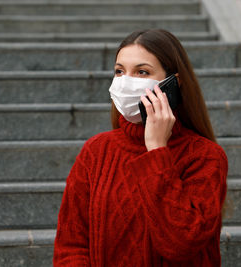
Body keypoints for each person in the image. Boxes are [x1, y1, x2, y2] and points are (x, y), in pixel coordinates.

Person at [53, 28, 228, 266]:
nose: (126, 82)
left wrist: (156, 148)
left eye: (142, 72)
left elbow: (182, 244)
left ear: (172, 84)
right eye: (119, 71)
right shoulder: (95, 152)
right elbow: (70, 246)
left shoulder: (205, 157)